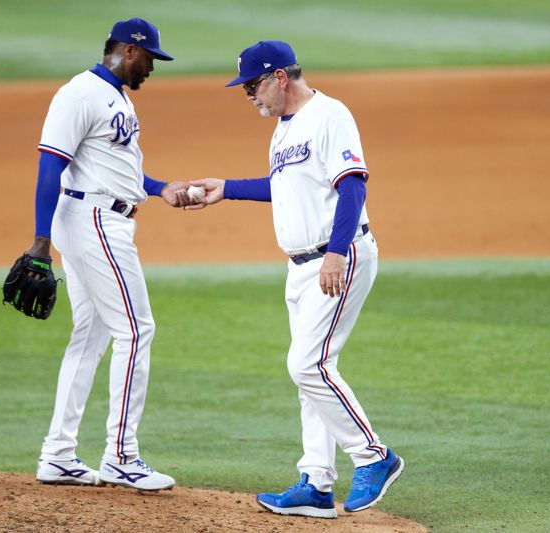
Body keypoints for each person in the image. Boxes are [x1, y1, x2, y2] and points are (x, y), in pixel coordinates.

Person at [190, 41, 403, 517]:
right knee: (311, 376)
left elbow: (352, 185)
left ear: (279, 77)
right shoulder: (284, 130)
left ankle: (374, 457)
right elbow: (287, 187)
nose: (249, 97)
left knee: (308, 365)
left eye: (252, 86)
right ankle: (317, 484)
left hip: (337, 259)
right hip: (300, 267)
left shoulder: (330, 115)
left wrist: (335, 252)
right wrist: (227, 189)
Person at [29, 18, 192, 491]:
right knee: (138, 330)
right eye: (149, 59)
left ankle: (58, 454)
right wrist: (40, 242)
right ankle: (122, 455)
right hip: (93, 221)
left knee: (92, 333)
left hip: (104, 215)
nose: (152, 69)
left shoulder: (117, 97)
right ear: (126, 50)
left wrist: (163, 189)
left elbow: (119, 171)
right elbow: (49, 167)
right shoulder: (79, 94)